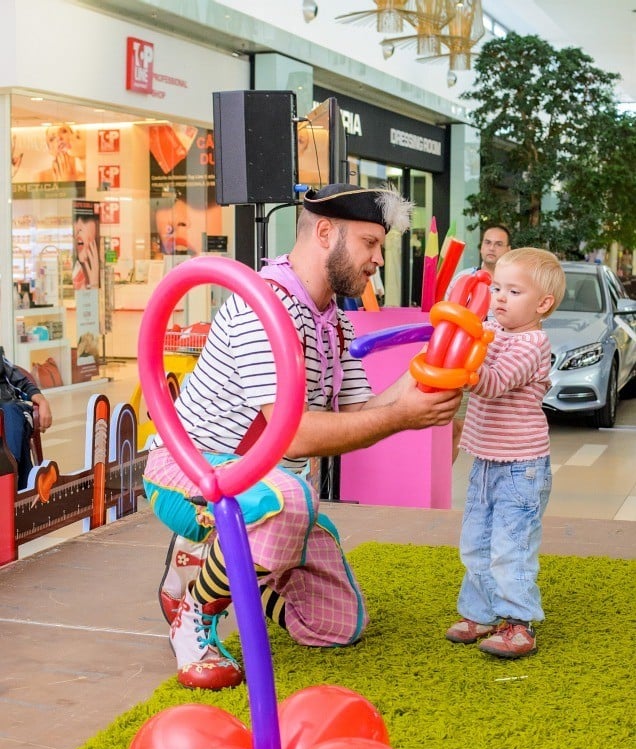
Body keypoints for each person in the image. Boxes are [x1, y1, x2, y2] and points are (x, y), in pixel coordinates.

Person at [143, 183, 462, 690]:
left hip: (263, 485)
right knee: (291, 500)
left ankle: (214, 563)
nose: (379, 260)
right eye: (370, 243)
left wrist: (426, 377)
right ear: (326, 232)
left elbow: (361, 409)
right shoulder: (263, 306)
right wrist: (404, 416)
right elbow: (291, 437)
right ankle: (194, 615)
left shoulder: (333, 319)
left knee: (337, 625)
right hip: (187, 471)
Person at [446, 247, 566, 659]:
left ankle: (518, 622)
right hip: (484, 460)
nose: (499, 297)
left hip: (521, 468)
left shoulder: (533, 342)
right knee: (476, 541)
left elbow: (495, 382)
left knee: (510, 546)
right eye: (497, 287)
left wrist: (462, 366)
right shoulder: (491, 329)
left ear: (542, 304)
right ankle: (480, 613)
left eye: (514, 291)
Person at [450, 224, 512, 461]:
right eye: (487, 242)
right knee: (457, 426)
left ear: (508, 249)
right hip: (464, 362)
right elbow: (447, 315)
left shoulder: (511, 287)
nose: (491, 248)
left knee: (495, 434)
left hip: (498, 366)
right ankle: (442, 486)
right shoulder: (463, 279)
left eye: (498, 244)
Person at [0, 347, 53, 489]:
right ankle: (20, 486)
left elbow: (23, 384)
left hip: (12, 411)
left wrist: (42, 403)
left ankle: (9, 472)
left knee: (10, 411)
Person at [72, 210, 100, 290]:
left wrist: (94, 284)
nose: (78, 227)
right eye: (76, 219)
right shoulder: (76, 272)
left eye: (86, 218)